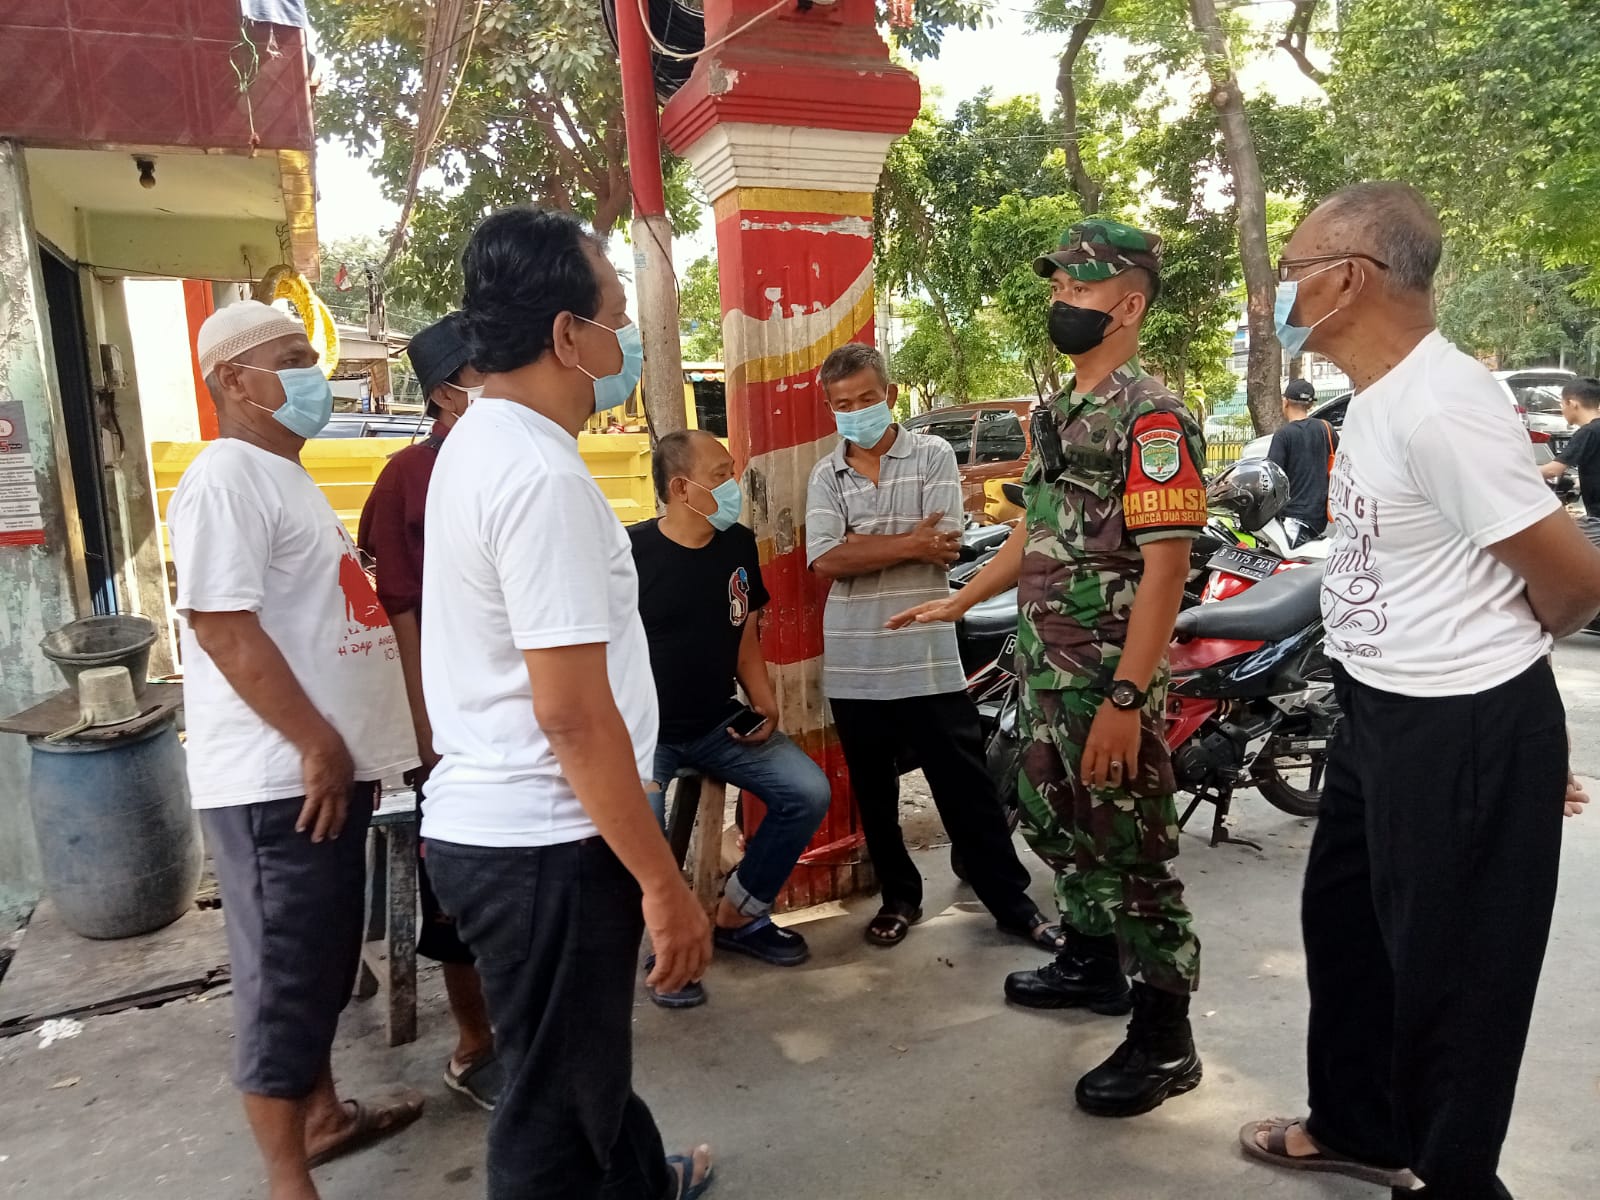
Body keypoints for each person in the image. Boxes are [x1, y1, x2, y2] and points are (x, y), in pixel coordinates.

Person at [1239, 182, 1600, 1199]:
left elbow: (1575, 584)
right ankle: (1357, 1124)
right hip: (1380, 712)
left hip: (1461, 721)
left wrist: (1492, 714)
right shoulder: (1383, 402)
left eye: (1292, 269)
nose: (1277, 291)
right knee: (1348, 929)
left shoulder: (1444, 407)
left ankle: (1454, 1179)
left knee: (1456, 980)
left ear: (1347, 278)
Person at [417, 207, 714, 1200]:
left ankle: (643, 1182)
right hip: (543, 838)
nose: (621, 344)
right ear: (563, 335)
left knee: (582, 1064)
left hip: (510, 830)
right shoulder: (536, 474)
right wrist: (662, 884)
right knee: (549, 1118)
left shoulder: (481, 440)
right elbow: (572, 716)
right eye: (614, 319)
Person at [891, 219, 1208, 1118]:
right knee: (1053, 816)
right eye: (1060, 286)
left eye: (1080, 287)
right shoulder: (1060, 410)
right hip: (1046, 666)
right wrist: (963, 599)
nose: (1061, 300)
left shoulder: (1153, 413)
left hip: (1108, 673)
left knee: (1135, 850)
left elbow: (1168, 565)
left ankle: (1164, 1038)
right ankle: (1092, 960)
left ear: (1130, 304)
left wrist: (1124, 696)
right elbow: (1035, 526)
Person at [168, 301, 424, 1200]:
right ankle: (290, 1181)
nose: (320, 374)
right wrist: (314, 739)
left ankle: (321, 1119)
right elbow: (222, 627)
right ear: (236, 381)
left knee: (316, 965)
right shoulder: (227, 476)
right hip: (280, 780)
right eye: (295, 358)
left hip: (318, 773)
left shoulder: (282, 475)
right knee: (284, 983)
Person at [806, 342, 1062, 954]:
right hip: (854, 661)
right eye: (843, 404)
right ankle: (900, 898)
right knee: (875, 790)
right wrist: (904, 544)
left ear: (889, 396)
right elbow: (825, 559)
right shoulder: (825, 473)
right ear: (830, 409)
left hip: (926, 655)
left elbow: (943, 542)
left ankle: (1010, 902)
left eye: (866, 398)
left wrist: (867, 545)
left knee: (964, 787)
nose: (856, 411)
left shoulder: (932, 452)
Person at [631, 430, 833, 1005]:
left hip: (718, 724)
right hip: (646, 736)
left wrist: (764, 700)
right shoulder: (629, 554)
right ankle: (671, 950)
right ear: (680, 487)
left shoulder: (737, 544)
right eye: (720, 474)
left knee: (807, 791)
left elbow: (742, 628)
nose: (734, 485)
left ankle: (740, 914)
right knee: (639, 833)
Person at [355, 313, 501, 1109]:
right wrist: (427, 729)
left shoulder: (517, 462)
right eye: (489, 370)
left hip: (521, 719)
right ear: (450, 391)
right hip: (448, 724)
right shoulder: (408, 479)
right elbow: (397, 614)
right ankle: (474, 1043)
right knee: (456, 887)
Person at [1267, 377, 1338, 546]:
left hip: (1292, 516)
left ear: (1285, 402)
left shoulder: (1283, 435)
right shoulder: (1326, 428)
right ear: (1310, 404)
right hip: (1321, 515)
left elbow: (1272, 476)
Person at [1540, 376, 1600, 518]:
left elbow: (1553, 471)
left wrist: (1520, 475)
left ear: (1571, 403)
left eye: (1562, 405)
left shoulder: (1588, 432)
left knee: (1556, 539)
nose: (1562, 411)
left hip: (1597, 520)